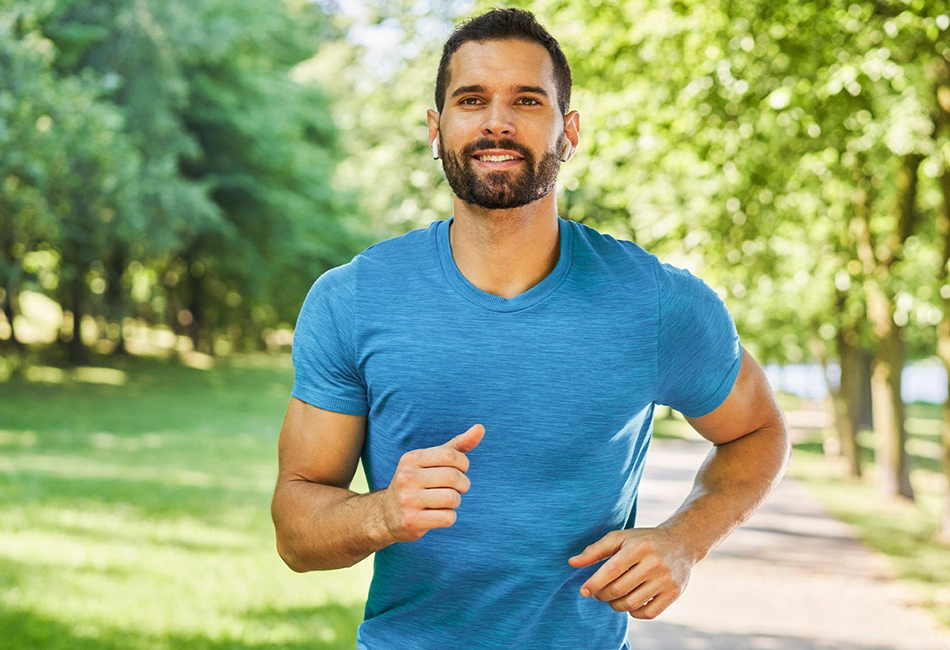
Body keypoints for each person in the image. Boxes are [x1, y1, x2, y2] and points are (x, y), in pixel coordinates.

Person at [268, 8, 791, 649]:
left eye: (526, 100)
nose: (497, 121)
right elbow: (296, 531)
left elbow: (759, 431)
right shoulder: (351, 300)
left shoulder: (657, 303)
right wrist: (382, 512)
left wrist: (685, 541)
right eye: (471, 100)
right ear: (436, 130)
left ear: (568, 132)